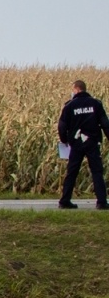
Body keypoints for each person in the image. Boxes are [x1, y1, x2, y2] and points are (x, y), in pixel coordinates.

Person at [57, 78, 109, 209]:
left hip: (76, 144)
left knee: (72, 172)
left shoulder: (69, 106)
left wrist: (64, 140)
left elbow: (62, 126)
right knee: (97, 171)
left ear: (76, 90)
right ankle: (101, 202)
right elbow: (105, 123)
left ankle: (65, 201)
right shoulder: (95, 104)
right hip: (92, 142)